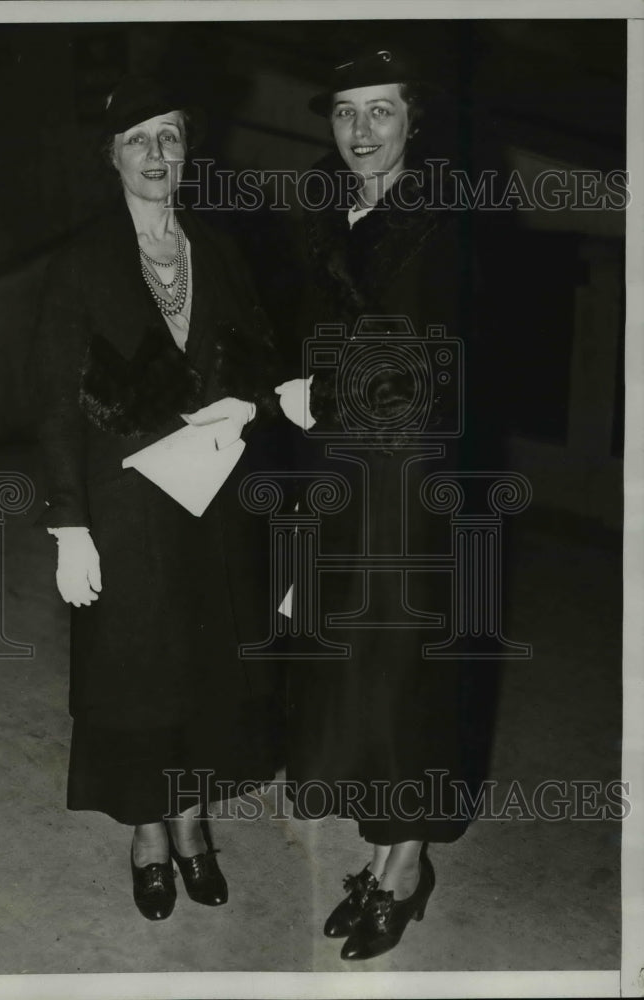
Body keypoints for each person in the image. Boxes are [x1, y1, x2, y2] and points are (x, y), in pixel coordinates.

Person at [32, 75, 284, 922]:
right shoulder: (80, 261)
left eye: (169, 136)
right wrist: (69, 525)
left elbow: (259, 358)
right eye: (137, 138)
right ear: (111, 156)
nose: (155, 154)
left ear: (187, 152)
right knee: (135, 672)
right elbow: (53, 399)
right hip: (124, 503)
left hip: (213, 500)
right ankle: (147, 835)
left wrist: (249, 399)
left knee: (202, 671)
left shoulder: (217, 248)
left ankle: (190, 823)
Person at [276, 48, 491, 961]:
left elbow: (434, 365)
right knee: (349, 677)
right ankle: (378, 848)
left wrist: (319, 396)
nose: (359, 132)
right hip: (334, 484)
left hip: (411, 486)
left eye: (381, 113)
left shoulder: (446, 216)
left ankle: (403, 864)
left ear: (415, 122)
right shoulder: (322, 206)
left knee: (407, 678)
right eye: (345, 113)